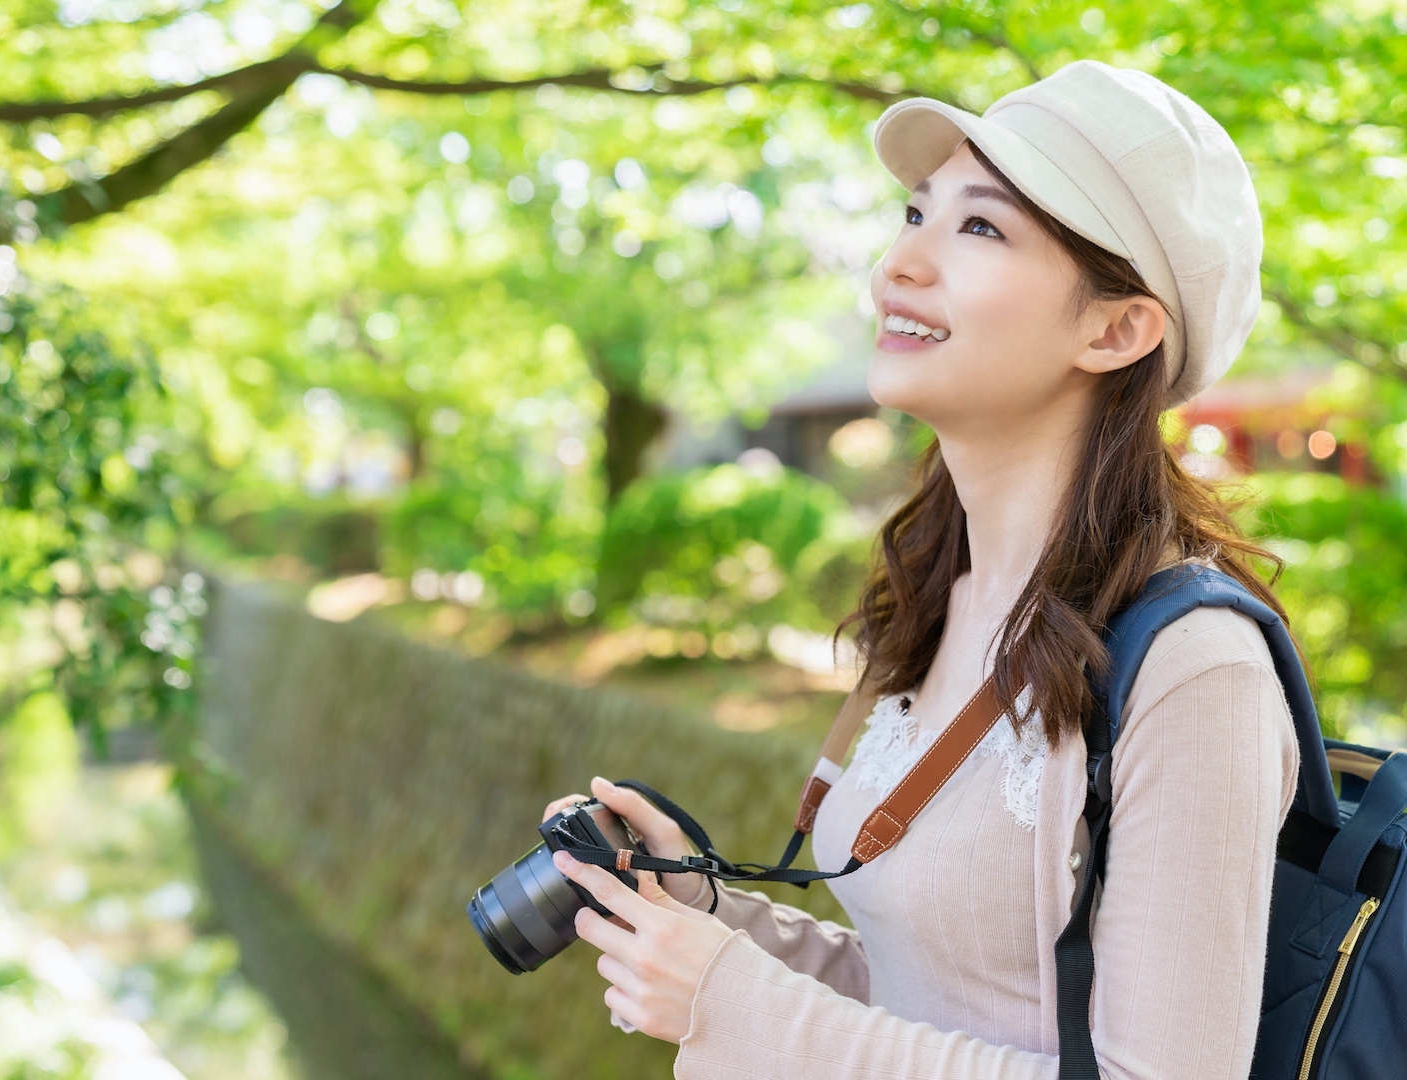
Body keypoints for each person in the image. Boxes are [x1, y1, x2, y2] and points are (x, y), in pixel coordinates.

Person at [543, 60, 1298, 1079]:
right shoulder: (945, 602)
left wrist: (732, 999)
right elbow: (928, 1004)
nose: (897, 263)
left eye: (979, 227)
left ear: (1115, 328)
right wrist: (707, 915)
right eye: (914, 212)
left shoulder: (1192, 668)